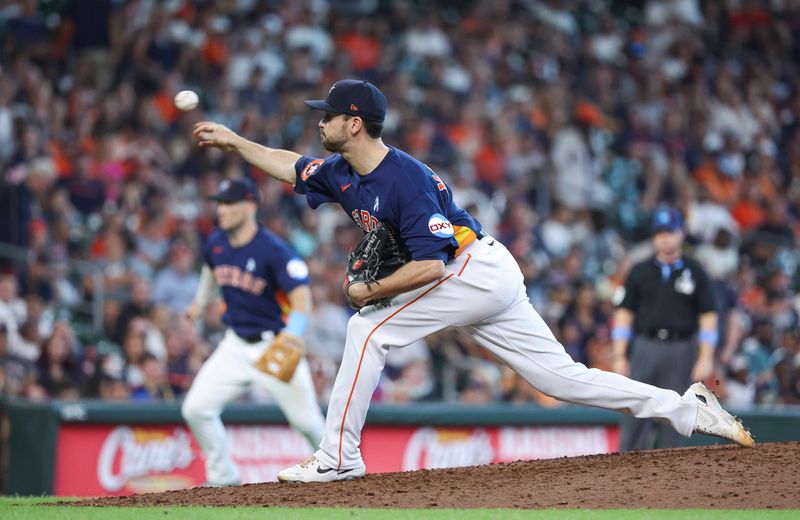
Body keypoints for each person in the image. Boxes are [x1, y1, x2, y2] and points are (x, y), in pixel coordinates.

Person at [191, 79, 754, 483]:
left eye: (329, 114)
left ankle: (338, 458)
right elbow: (291, 164)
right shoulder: (341, 171)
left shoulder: (404, 179)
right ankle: (686, 408)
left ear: (354, 122)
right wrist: (237, 143)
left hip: (470, 270)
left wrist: (368, 292)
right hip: (482, 277)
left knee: (367, 331)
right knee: (563, 379)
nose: (320, 121)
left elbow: (432, 266)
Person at [180, 178, 325, 487]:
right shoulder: (216, 241)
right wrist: (198, 302)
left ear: (250, 206)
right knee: (196, 409)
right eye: (219, 203)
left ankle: (339, 467)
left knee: (307, 422)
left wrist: (293, 334)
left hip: (273, 344)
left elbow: (302, 298)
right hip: (234, 346)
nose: (221, 209)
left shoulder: (274, 250)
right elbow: (210, 269)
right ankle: (223, 476)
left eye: (229, 203)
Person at [612, 207, 719, 451]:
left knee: (678, 411)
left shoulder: (695, 270)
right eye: (660, 231)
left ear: (681, 233)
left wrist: (706, 356)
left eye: (670, 231)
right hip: (645, 346)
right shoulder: (639, 271)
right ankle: (627, 470)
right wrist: (619, 354)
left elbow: (708, 316)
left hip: (682, 347)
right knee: (636, 407)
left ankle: (672, 479)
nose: (665, 237)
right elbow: (624, 313)